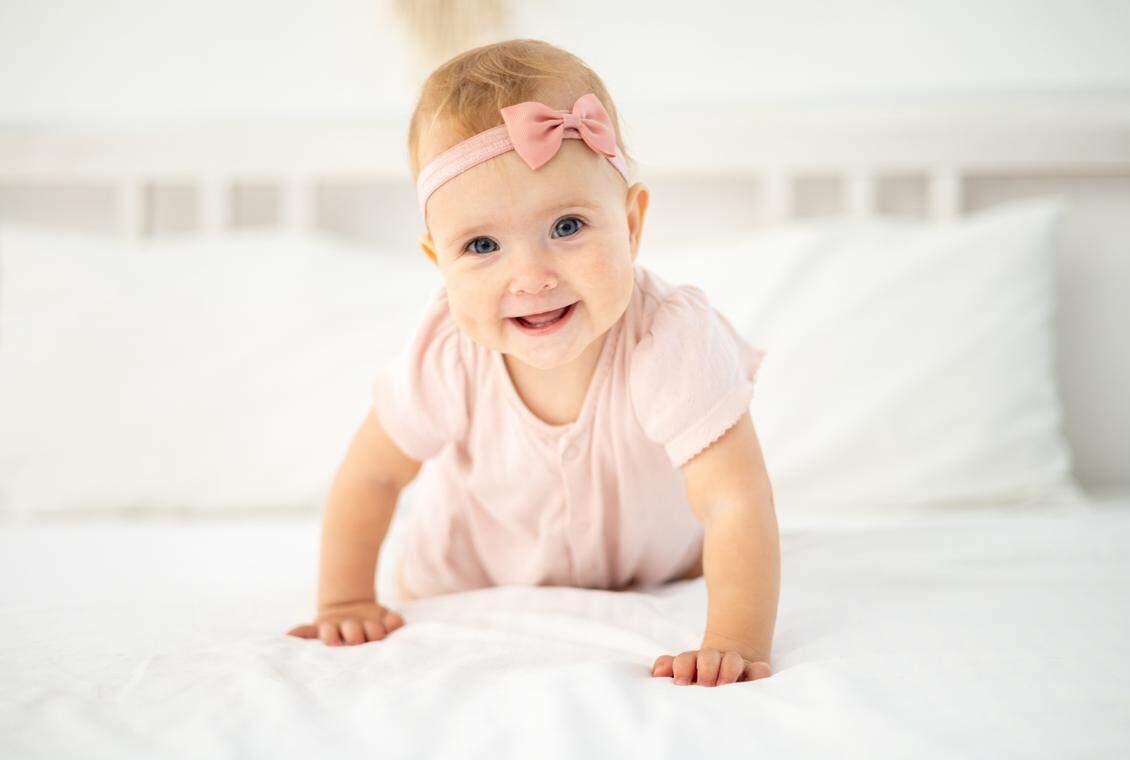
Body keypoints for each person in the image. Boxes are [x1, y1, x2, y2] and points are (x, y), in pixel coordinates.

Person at [287, 39, 779, 687]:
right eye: (482, 245)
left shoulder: (668, 339)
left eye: (567, 227)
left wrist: (733, 639)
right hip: (470, 585)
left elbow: (735, 499)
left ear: (631, 224)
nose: (532, 276)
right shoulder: (449, 355)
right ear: (439, 263)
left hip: (659, 573)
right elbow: (372, 475)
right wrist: (345, 600)